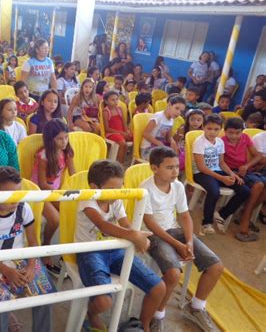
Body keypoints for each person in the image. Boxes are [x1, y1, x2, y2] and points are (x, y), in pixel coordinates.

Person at [75, 160, 166, 332]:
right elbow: (103, 225)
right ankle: (91, 314)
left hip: (115, 249)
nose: (118, 193)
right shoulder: (87, 200)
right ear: (95, 186)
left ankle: (144, 324)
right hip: (89, 252)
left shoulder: (115, 199)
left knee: (158, 288)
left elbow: (126, 224)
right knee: (104, 301)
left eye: (120, 187)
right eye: (112, 189)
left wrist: (137, 234)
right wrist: (134, 236)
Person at [142, 147, 223, 332]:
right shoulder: (145, 189)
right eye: (169, 167)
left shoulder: (178, 185)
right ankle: (158, 315)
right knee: (173, 274)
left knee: (215, 266)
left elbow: (185, 216)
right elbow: (150, 222)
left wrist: (189, 242)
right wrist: (178, 244)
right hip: (153, 234)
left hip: (175, 230)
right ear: (154, 168)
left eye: (177, 167)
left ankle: (196, 307)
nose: (175, 171)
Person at [0, 166, 53, 332]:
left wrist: (31, 266)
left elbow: (33, 241)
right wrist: (7, 271)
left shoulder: (23, 208)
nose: (14, 201)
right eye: (9, 196)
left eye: (17, 195)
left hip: (22, 257)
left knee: (46, 295)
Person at [192, 114, 251, 235]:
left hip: (218, 171)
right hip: (201, 173)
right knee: (214, 191)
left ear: (220, 129)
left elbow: (222, 162)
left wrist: (232, 174)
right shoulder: (199, 142)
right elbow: (201, 167)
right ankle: (206, 223)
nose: (212, 132)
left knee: (245, 190)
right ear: (203, 127)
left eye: (216, 129)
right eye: (209, 128)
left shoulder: (219, 142)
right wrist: (222, 178)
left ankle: (221, 214)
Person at [31, 119, 75, 274]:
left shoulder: (67, 152)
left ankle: (67, 251)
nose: (64, 142)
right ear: (51, 140)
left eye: (66, 137)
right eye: (59, 139)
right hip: (39, 193)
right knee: (55, 219)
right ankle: (46, 245)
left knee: (73, 211)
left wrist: (71, 191)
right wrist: (60, 194)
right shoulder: (44, 156)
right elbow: (42, 184)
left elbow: (73, 175)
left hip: (55, 193)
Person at [221, 118, 265, 241]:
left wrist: (246, 166)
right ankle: (244, 222)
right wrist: (232, 172)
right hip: (230, 172)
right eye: (230, 133)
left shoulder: (245, 138)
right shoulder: (221, 141)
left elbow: (258, 156)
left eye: (237, 133)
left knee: (262, 186)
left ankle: (244, 215)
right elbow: (221, 162)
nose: (234, 136)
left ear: (242, 131)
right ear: (225, 131)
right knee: (258, 185)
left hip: (244, 171)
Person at [141, 95, 186, 160]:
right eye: (176, 108)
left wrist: (173, 142)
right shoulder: (158, 116)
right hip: (148, 149)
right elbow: (145, 133)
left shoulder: (171, 120)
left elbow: (168, 138)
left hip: (160, 148)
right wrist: (161, 145)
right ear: (169, 105)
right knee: (168, 160)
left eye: (181, 111)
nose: (178, 112)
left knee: (182, 154)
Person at [102, 91, 132, 163]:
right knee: (123, 143)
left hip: (121, 132)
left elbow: (124, 122)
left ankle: (129, 159)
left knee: (134, 136)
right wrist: (121, 133)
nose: (115, 102)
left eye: (116, 99)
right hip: (111, 133)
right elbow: (107, 128)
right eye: (113, 100)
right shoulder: (106, 111)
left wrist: (126, 131)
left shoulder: (119, 109)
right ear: (106, 101)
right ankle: (119, 163)